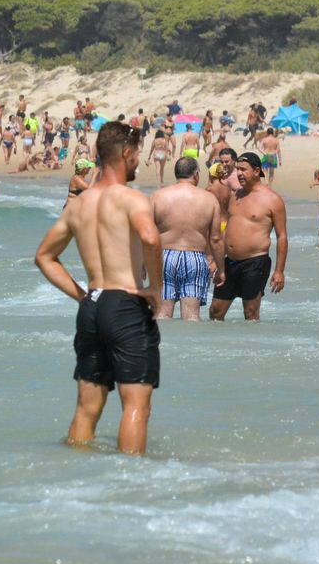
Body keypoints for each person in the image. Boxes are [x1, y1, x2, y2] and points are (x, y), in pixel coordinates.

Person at [33, 122, 162, 454]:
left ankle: (79, 476)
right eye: (136, 157)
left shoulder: (79, 204)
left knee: (86, 407)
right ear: (126, 153)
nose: (138, 164)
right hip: (125, 305)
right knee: (136, 405)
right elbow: (150, 237)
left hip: (92, 306)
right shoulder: (132, 198)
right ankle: (128, 483)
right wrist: (155, 289)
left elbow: (45, 257)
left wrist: (81, 296)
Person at [210, 152, 288, 321]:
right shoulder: (236, 195)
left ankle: (251, 347)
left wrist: (279, 271)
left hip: (255, 262)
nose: (238, 173)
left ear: (256, 171)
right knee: (215, 312)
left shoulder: (273, 200)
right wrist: (215, 260)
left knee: (250, 314)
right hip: (229, 262)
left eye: (243, 169)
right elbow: (227, 230)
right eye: (237, 169)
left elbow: (282, 237)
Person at [151, 157, 223, 321]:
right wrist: (221, 268)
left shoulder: (158, 196)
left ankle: (162, 346)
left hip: (164, 257)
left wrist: (142, 264)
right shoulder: (209, 199)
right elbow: (216, 239)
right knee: (191, 317)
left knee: (162, 315)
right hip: (194, 257)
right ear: (196, 175)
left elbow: (147, 233)